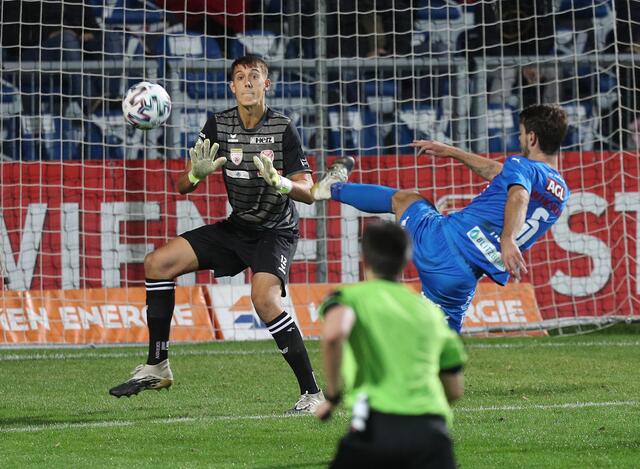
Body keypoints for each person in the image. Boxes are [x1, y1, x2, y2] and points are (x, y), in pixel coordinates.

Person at [109, 55, 352, 414]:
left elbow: (310, 191)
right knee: (157, 263)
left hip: (275, 231)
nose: (248, 82)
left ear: (266, 84)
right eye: (240, 77)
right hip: (237, 227)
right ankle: (157, 365)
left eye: (255, 76)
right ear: (232, 87)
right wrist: (196, 174)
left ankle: (312, 392)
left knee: (265, 300)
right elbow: (181, 185)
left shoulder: (283, 127)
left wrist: (280, 181)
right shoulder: (218, 125)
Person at [313, 104, 570, 332]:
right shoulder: (559, 191)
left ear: (532, 138)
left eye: (522, 133)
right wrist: (451, 151)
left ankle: (332, 187)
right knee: (441, 345)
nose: (519, 137)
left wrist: (508, 239)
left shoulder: (522, 168)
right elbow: (498, 172)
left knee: (407, 199)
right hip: (462, 279)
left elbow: (518, 196)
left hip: (444, 241)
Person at [315, 221, 466, 469]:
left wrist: (332, 396)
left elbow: (333, 334)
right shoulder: (430, 312)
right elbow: (454, 389)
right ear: (406, 261)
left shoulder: (350, 297)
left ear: (365, 260)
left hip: (376, 427)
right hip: (432, 433)